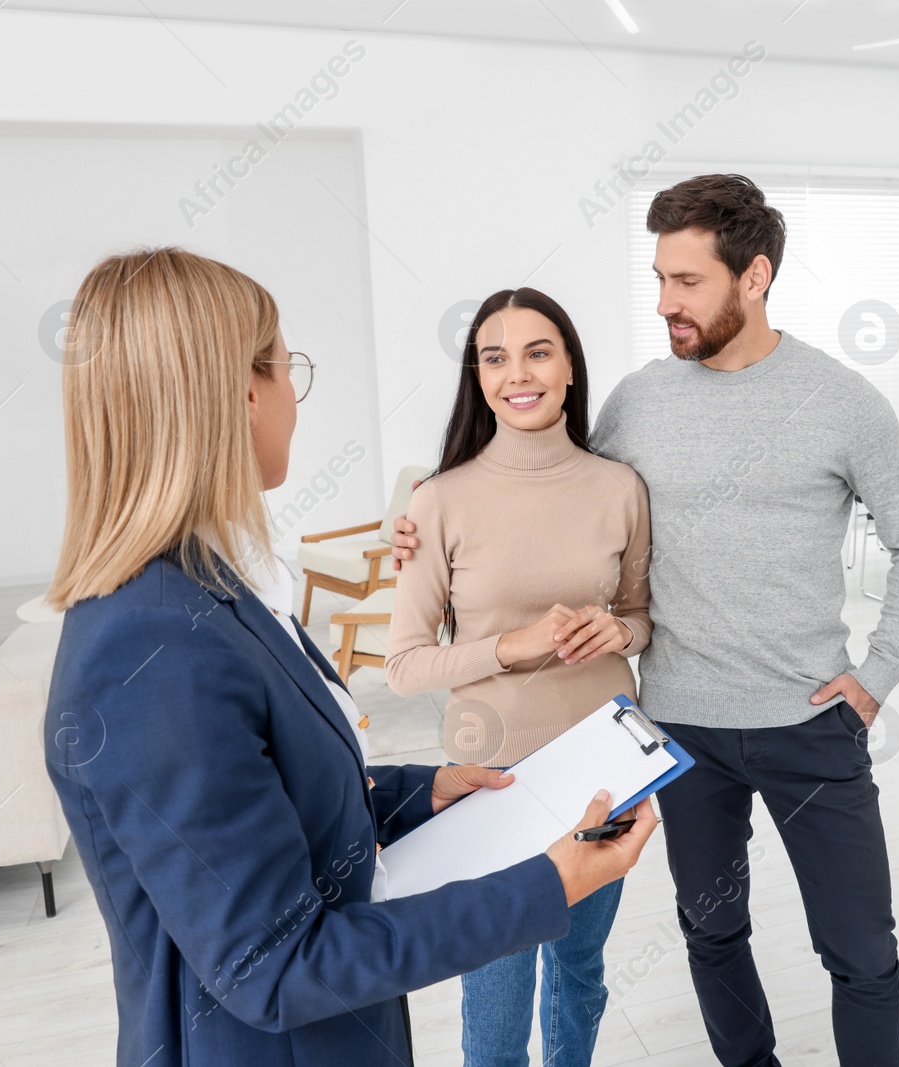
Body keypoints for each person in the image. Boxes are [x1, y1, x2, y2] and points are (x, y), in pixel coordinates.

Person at [42, 248, 656, 1067]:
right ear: (241, 392)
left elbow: (271, 802)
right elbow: (275, 964)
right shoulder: (150, 645)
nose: (294, 397)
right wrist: (549, 884)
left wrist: (419, 791)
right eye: (286, 366)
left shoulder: (215, 587)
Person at [393, 175, 899, 1066]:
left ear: (755, 275)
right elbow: (555, 492)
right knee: (712, 933)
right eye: (657, 279)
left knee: (861, 954)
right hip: (677, 729)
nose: (665, 304)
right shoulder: (640, 400)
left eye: (686, 282)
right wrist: (419, 520)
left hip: (812, 723)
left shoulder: (842, 401)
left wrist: (875, 678)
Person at [384, 287, 652, 1067]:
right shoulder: (437, 501)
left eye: (538, 351)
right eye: (494, 357)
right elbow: (403, 666)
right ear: (478, 377)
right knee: (497, 1000)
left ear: (570, 366)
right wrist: (514, 645)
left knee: (581, 972)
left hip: (606, 767)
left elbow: (641, 613)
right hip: (493, 780)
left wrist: (620, 629)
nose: (517, 373)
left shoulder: (619, 487)